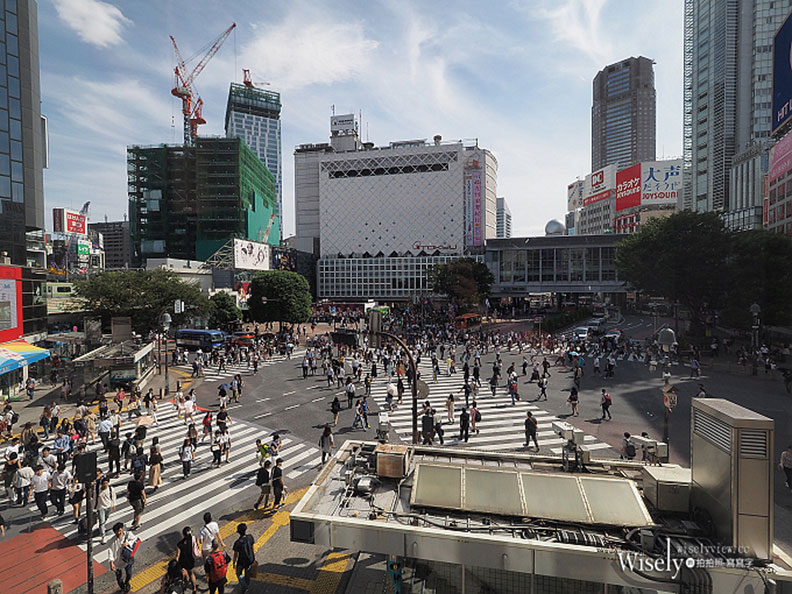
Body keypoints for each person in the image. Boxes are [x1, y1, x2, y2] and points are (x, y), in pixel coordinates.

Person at [109, 522, 138, 593]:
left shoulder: (128, 534)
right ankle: (123, 587)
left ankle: (126, 583)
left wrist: (128, 543)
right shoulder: (112, 541)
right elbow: (110, 551)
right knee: (119, 578)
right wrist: (111, 562)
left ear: (122, 529)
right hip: (117, 561)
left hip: (127, 560)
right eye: (116, 532)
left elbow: (135, 539)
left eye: (119, 531)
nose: (118, 533)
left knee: (129, 573)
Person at [232, 523, 255, 593]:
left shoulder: (237, 542)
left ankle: (244, 586)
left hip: (241, 561)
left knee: (239, 574)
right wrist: (253, 557)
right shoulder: (250, 537)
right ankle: (246, 586)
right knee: (247, 574)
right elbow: (252, 548)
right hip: (249, 559)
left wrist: (233, 562)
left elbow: (235, 554)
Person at [175, 526, 199, 592]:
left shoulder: (179, 544)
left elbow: (177, 555)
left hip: (182, 562)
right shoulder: (193, 539)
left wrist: (176, 564)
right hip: (190, 560)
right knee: (191, 573)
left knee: (184, 575)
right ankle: (194, 588)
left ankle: (185, 586)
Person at [96, 476, 116, 543]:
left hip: (108, 506)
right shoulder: (97, 490)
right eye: (104, 483)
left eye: (106, 483)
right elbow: (94, 499)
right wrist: (93, 507)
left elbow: (113, 497)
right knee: (101, 522)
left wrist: (114, 504)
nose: (105, 485)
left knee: (105, 519)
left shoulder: (111, 489)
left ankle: (102, 527)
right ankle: (103, 536)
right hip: (100, 507)